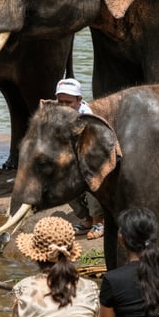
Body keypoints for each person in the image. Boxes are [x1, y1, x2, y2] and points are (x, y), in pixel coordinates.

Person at [56, 78, 104, 240]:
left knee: (90, 179)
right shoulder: (57, 113)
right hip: (71, 162)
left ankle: (99, 221)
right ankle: (87, 219)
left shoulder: (88, 117)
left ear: (79, 100)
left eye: (68, 102)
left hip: (90, 162)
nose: (64, 106)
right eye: (60, 101)